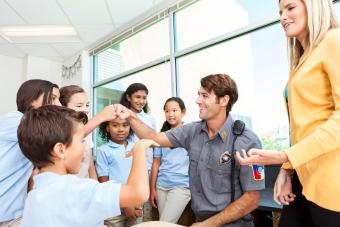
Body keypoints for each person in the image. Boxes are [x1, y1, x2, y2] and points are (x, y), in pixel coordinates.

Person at [235, 0, 340, 226]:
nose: (282, 16)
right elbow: (302, 125)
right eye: (280, 11)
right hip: (305, 176)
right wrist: (287, 170)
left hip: (332, 182)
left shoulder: (335, 40)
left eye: (290, 8)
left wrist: (284, 157)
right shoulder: (303, 58)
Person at [114, 74, 265, 227]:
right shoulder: (192, 132)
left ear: (224, 100)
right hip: (200, 220)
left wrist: (207, 224)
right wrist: (131, 117)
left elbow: (252, 198)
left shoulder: (247, 141)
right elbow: (153, 137)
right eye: (199, 95)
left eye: (205, 96)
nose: (198, 101)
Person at [17, 105, 157, 227]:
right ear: (60, 150)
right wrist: (139, 149)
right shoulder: (77, 189)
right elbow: (138, 193)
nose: (85, 148)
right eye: (81, 141)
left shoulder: (34, 195)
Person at [0, 79, 61, 227]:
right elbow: (63, 137)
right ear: (32, 100)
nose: (58, 104)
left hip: (13, 213)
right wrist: (102, 117)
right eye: (53, 98)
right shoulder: (14, 120)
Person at [96, 117, 143, 226]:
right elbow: (104, 182)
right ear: (107, 128)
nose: (121, 129)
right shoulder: (103, 150)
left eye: (125, 125)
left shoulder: (136, 147)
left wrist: (135, 203)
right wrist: (125, 205)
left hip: (136, 203)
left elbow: (141, 175)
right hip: (114, 207)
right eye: (115, 125)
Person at [120, 83, 156, 222]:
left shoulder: (150, 118)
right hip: (130, 167)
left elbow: (154, 142)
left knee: (145, 213)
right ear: (128, 97)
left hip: (147, 168)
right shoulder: (122, 115)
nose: (141, 101)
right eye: (137, 97)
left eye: (144, 97)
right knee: (133, 212)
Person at [150, 97, 190, 224]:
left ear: (183, 112)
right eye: (167, 111)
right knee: (166, 223)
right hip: (161, 185)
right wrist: (152, 189)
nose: (170, 114)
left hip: (181, 186)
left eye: (174, 110)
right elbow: (156, 163)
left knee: (164, 224)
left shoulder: (190, 132)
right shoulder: (161, 136)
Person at [60, 85, 97, 180]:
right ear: (63, 107)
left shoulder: (86, 131)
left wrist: (95, 185)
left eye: (87, 105)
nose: (86, 109)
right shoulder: (59, 133)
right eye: (79, 106)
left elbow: (90, 164)